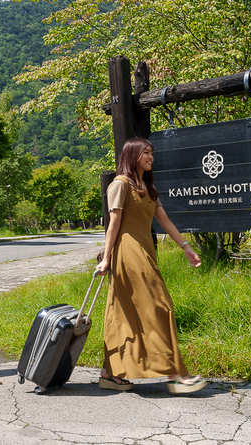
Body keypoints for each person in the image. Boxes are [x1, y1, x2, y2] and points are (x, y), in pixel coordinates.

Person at [94, 137, 206, 394]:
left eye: (151, 153)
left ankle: (110, 373)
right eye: (145, 153)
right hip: (128, 255)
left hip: (145, 254)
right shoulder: (120, 185)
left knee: (124, 314)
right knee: (159, 306)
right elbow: (113, 225)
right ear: (132, 155)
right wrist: (108, 258)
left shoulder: (146, 186)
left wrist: (186, 248)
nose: (150, 157)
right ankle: (177, 374)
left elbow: (164, 221)